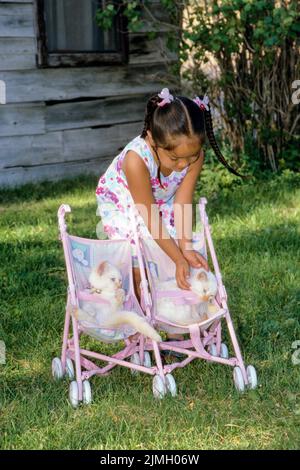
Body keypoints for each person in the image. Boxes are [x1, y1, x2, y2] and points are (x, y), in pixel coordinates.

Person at [95, 88, 245, 303]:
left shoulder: (194, 157)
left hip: (162, 199)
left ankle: (173, 314)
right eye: (175, 158)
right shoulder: (136, 160)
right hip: (123, 202)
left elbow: (182, 202)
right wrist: (177, 258)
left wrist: (185, 249)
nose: (183, 164)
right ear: (152, 140)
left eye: (191, 156)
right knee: (137, 253)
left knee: (175, 245)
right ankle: (142, 315)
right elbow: (149, 216)